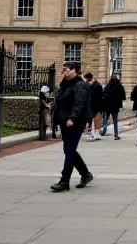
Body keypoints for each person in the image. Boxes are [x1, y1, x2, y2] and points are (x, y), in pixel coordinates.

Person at [50, 62, 93, 192]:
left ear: (74, 70)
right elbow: (60, 101)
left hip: (75, 122)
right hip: (64, 120)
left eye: (66, 69)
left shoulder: (80, 85)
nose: (64, 72)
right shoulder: (64, 84)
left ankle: (64, 181)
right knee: (68, 149)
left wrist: (72, 118)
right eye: (63, 69)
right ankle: (85, 174)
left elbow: (79, 104)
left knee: (69, 150)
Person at [102, 74, 126, 139]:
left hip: (107, 106)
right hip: (115, 106)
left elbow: (103, 94)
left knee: (105, 120)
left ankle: (104, 132)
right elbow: (123, 97)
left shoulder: (108, 86)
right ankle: (116, 134)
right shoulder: (120, 86)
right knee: (115, 121)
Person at [84, 72, 104, 141]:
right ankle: (92, 133)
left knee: (96, 119)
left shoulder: (97, 86)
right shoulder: (87, 85)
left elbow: (99, 96)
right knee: (90, 120)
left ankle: (96, 133)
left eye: (87, 79)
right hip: (92, 105)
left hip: (96, 105)